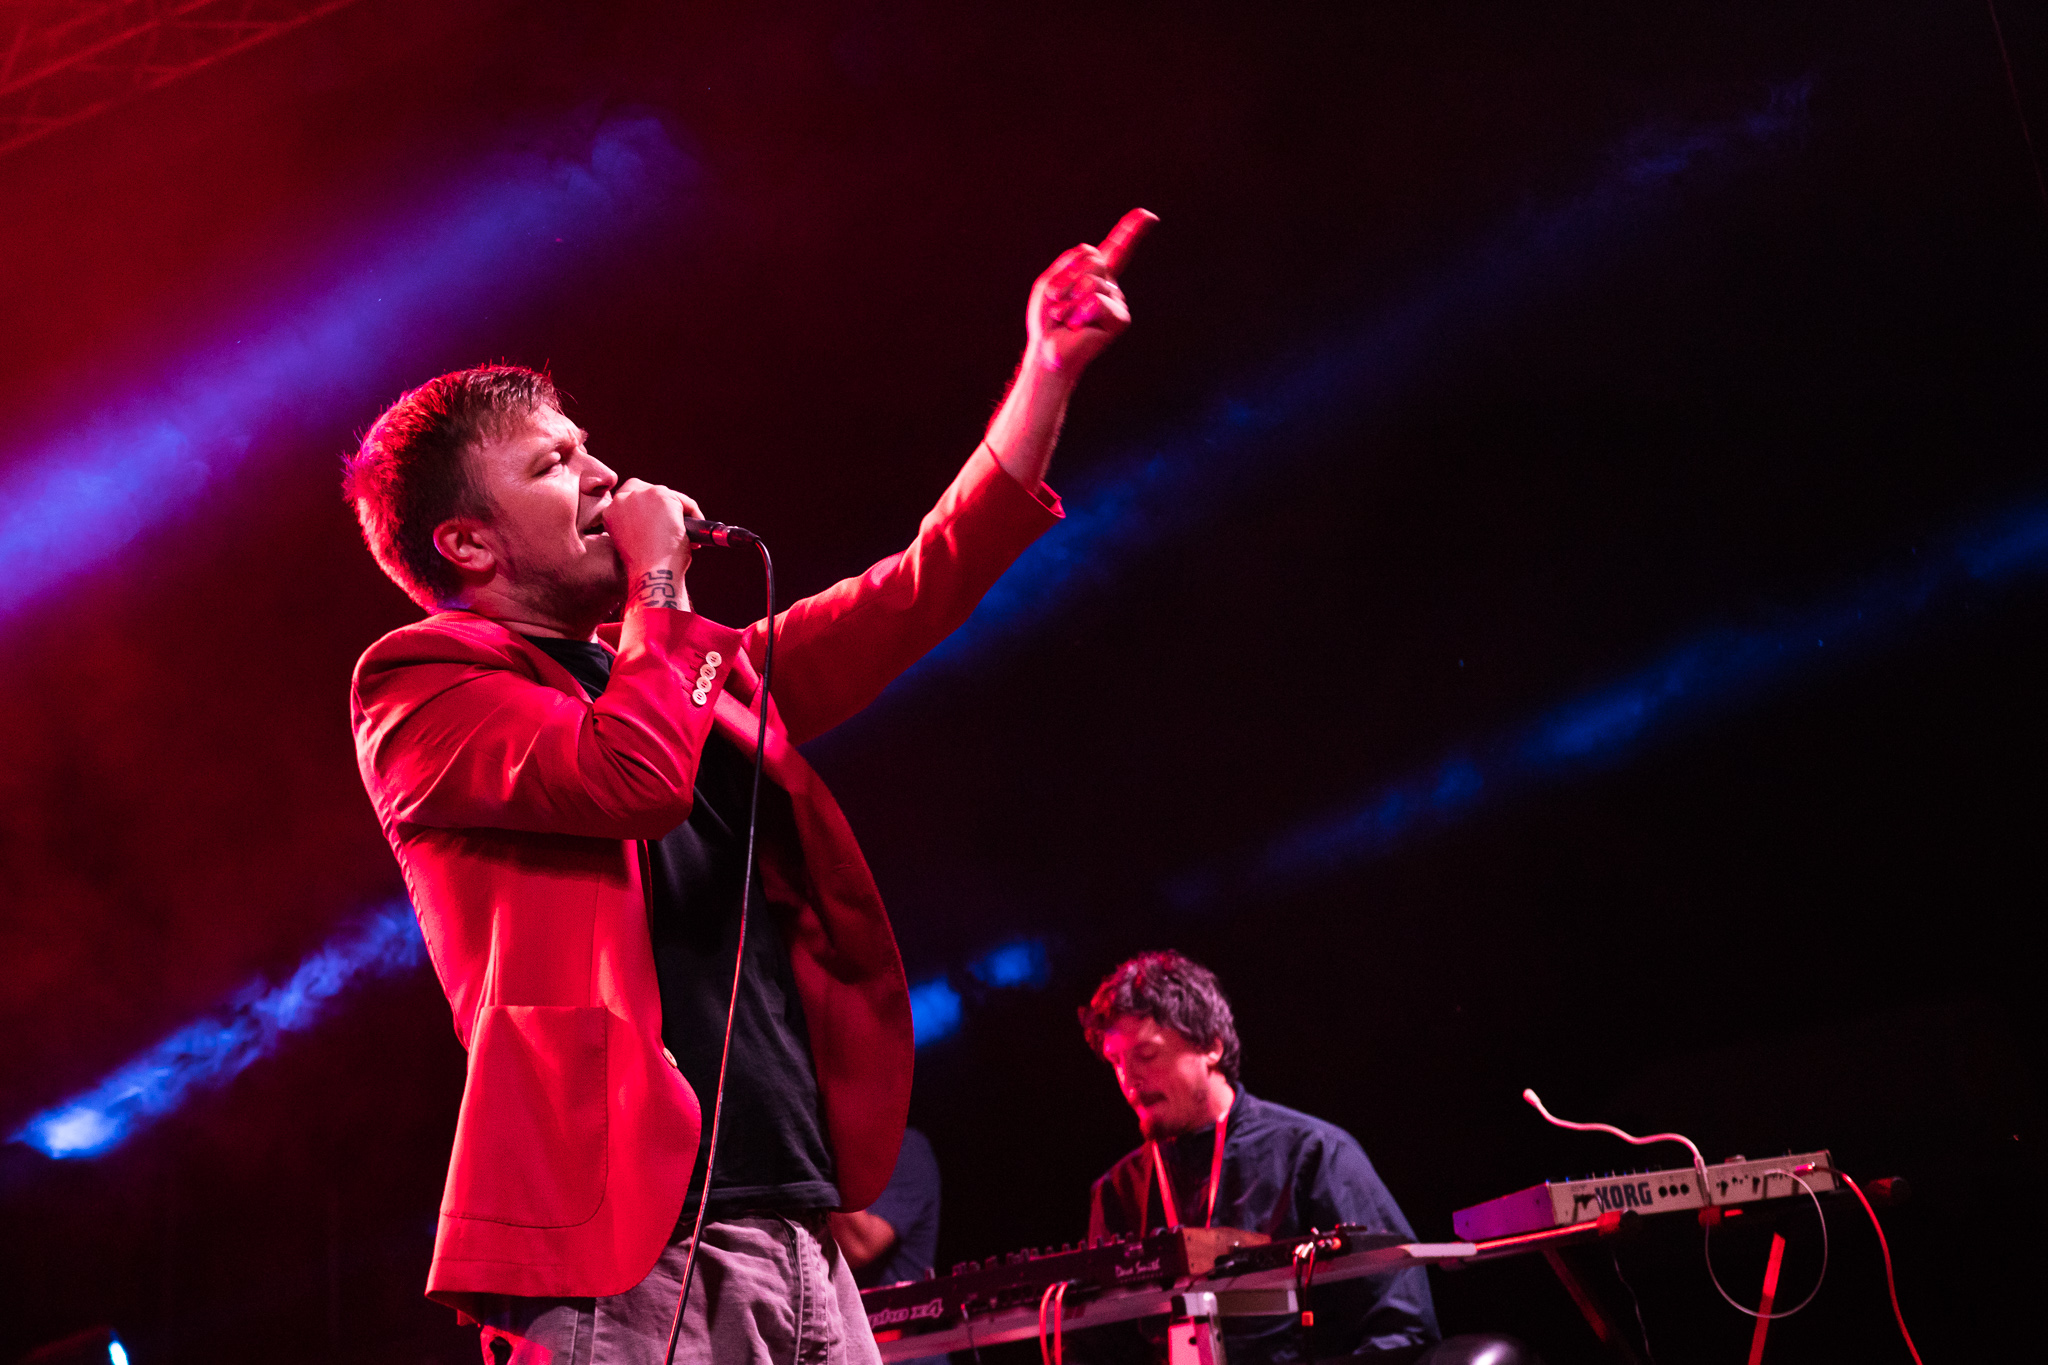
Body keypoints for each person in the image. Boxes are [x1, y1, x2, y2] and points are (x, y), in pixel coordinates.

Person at [344, 207, 1154, 1365]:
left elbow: (915, 587)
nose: (605, 474)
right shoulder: (422, 684)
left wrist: (1045, 372)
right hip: (628, 1244)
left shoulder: (689, 672)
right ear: (468, 546)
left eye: (585, 447)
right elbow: (630, 780)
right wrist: (658, 582)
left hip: (794, 1221)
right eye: (553, 465)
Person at [1080, 952, 1532, 1365]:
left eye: (1147, 1055)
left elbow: (1400, 1326)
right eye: (1116, 1061)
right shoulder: (1117, 1191)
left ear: (1211, 1047)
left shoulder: (1313, 1152)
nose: (1130, 1079)